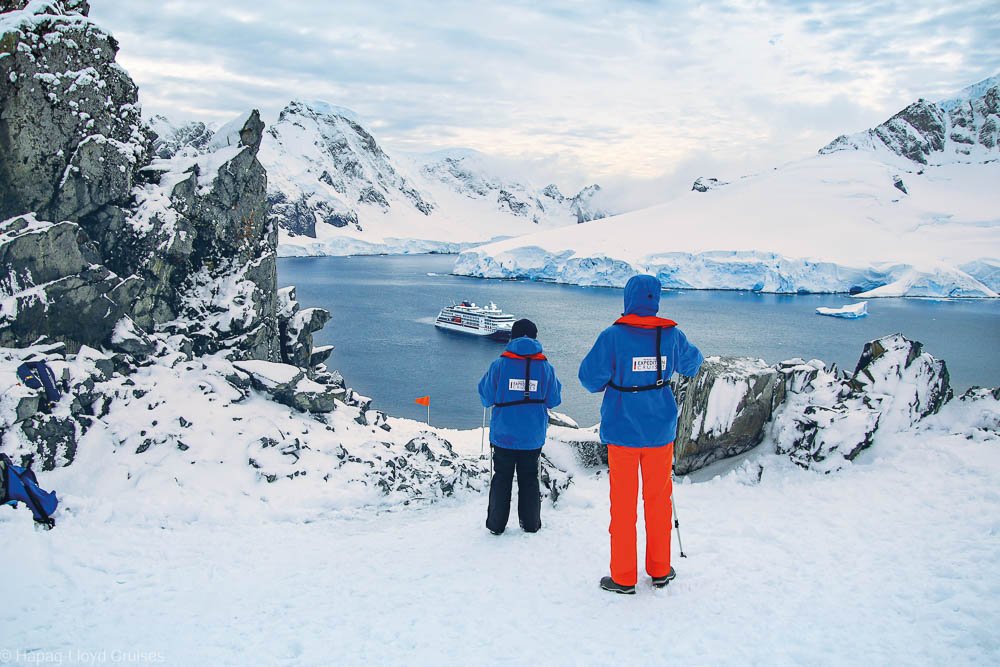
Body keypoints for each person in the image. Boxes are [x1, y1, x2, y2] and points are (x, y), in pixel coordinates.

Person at [579, 275, 703, 594]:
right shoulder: (671, 335)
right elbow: (693, 364)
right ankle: (660, 569)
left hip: (622, 432)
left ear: (628, 299)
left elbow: (589, 378)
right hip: (660, 432)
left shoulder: (612, 336)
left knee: (623, 506)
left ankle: (623, 577)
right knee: (659, 501)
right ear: (655, 300)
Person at [478, 318, 562, 535]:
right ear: (535, 337)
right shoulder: (546, 367)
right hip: (532, 435)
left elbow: (486, 396)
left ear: (512, 337)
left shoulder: (499, 364)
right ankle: (531, 524)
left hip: (504, 434)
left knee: (501, 478)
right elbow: (554, 399)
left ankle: (496, 525)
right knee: (530, 477)